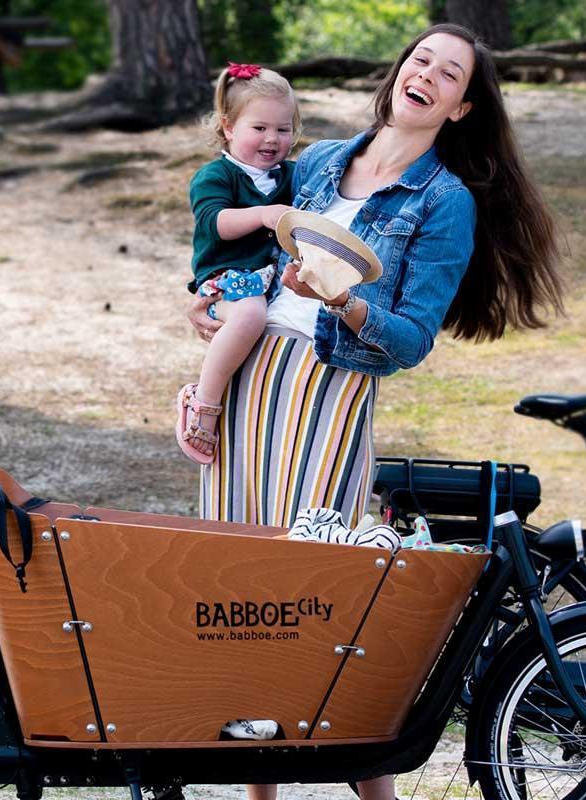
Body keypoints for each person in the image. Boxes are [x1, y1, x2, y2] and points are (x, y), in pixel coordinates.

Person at [185, 23, 565, 800]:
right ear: (400, 72)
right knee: (243, 598)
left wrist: (345, 301)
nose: (427, 74)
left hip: (329, 395)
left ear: (460, 108)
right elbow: (249, 259)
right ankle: (258, 793)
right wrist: (209, 307)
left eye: (449, 73)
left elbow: (411, 340)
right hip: (251, 381)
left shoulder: (444, 201)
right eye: (421, 58)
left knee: (318, 606)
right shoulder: (318, 160)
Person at [175, 63, 298, 464]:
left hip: (273, 276)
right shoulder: (217, 175)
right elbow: (216, 223)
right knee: (248, 317)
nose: (272, 139)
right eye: (259, 128)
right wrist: (264, 214)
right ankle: (204, 404)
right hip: (227, 278)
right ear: (228, 127)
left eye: (283, 129)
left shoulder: (292, 175)